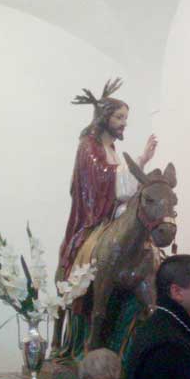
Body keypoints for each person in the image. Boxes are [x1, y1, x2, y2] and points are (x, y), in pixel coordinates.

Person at [59, 78, 157, 280]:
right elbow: (101, 178)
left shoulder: (110, 149)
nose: (124, 123)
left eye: (125, 118)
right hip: (95, 217)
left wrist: (142, 162)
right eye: (119, 117)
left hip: (115, 212)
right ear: (105, 118)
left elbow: (120, 182)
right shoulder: (89, 146)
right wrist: (139, 160)